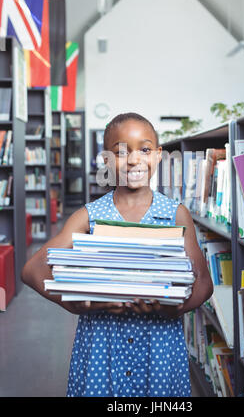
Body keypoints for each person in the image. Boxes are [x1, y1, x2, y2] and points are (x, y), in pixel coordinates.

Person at [21, 112, 213, 397]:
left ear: (158, 156)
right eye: (121, 152)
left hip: (158, 348)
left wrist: (177, 307)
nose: (134, 159)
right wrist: (74, 303)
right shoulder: (89, 216)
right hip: (102, 346)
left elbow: (204, 284)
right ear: (106, 161)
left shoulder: (176, 215)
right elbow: (32, 270)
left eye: (145, 149)